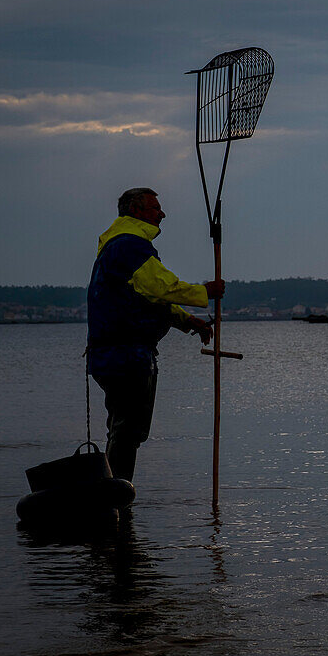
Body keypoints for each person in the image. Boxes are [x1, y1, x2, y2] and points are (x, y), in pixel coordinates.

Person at [87, 187, 224, 481]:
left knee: (122, 426)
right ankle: (117, 497)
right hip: (126, 354)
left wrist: (188, 320)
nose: (162, 214)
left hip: (110, 354)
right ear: (136, 211)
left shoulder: (116, 244)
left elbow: (148, 298)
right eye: (155, 208)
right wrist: (204, 292)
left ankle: (116, 505)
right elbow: (163, 287)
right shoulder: (129, 245)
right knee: (128, 429)